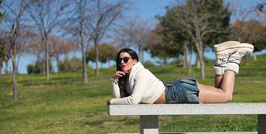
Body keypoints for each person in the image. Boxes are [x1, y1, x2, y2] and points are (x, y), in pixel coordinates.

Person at [107, 41, 253, 105]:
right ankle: (222, 60)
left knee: (226, 96)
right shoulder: (129, 77)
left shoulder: (141, 74)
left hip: (178, 92)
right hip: (176, 90)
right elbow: (121, 98)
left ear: (135, 61)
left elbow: (133, 100)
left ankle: (234, 58)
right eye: (119, 60)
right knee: (219, 93)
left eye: (126, 59)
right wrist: (114, 81)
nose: (122, 62)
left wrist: (112, 102)